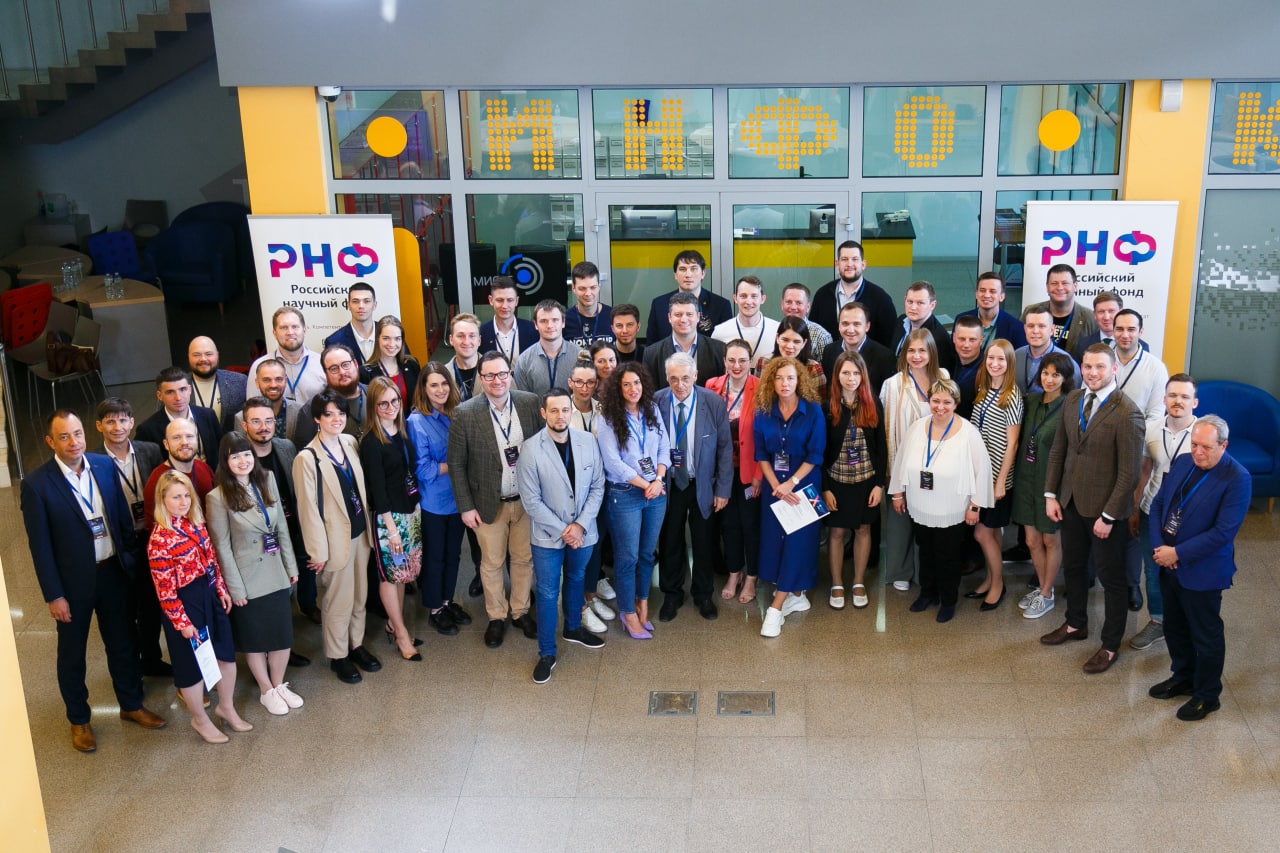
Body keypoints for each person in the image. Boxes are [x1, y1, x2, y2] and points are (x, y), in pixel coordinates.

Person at [21, 410, 167, 753]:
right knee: (72, 654)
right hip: (72, 584)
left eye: (77, 433)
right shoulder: (37, 485)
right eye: (64, 437)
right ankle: (79, 719)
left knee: (123, 643)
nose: (74, 442)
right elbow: (40, 548)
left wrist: (129, 563)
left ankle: (131, 704)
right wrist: (54, 595)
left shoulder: (103, 466)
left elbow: (119, 518)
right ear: (50, 442)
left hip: (113, 571)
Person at [1040, 344, 1145, 674]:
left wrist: (1109, 516)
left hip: (1105, 513)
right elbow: (1059, 450)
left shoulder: (1127, 412)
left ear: (1113, 369)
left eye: (1100, 366)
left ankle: (1110, 645)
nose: (1092, 372)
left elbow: (1129, 474)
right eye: (1087, 366)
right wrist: (1051, 494)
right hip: (1071, 502)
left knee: (1111, 580)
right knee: (1073, 568)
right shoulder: (1073, 399)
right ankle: (1075, 624)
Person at [1147, 416, 1251, 721]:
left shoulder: (1237, 478)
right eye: (1194, 444)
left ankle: (1207, 695)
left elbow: (1222, 533)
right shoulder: (1183, 462)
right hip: (1167, 563)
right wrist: (1160, 549)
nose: (1198, 452)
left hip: (1202, 571)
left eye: (1206, 447)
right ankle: (1183, 677)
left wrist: (1177, 553)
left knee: (1205, 635)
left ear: (1224, 445)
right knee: (1174, 627)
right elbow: (1158, 504)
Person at [447, 351, 544, 648]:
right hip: (488, 503)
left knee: (524, 559)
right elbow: (456, 465)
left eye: (502, 374)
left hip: (526, 501)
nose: (497, 380)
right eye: (489, 375)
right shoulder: (465, 413)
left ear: (510, 374)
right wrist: (466, 507)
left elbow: (544, 450)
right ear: (480, 378)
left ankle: (520, 611)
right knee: (491, 563)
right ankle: (497, 616)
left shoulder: (530, 403)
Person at [148, 469, 250, 743]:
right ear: (162, 500)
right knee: (191, 666)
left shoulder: (194, 522)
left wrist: (220, 589)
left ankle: (226, 707)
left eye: (187, 496)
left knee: (225, 654)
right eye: (176, 497)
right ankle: (200, 720)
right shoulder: (159, 540)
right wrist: (182, 623)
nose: (184, 502)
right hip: (185, 603)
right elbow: (165, 590)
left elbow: (210, 559)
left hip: (208, 593)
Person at [205, 433, 303, 716]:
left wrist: (291, 567)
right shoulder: (217, 497)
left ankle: (278, 684)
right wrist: (235, 589)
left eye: (246, 454)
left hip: (275, 570)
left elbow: (281, 527)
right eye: (235, 456)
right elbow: (222, 547)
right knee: (256, 639)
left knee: (282, 634)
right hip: (247, 579)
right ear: (225, 461)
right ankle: (265, 689)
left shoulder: (267, 479)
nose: (243, 461)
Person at [516, 387, 607, 683]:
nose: (560, 416)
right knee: (546, 592)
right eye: (554, 410)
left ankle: (572, 628)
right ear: (544, 413)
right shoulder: (531, 449)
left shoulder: (587, 441)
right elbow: (531, 501)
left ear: (571, 411)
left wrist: (580, 525)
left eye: (565, 410)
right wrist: (565, 531)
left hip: (583, 532)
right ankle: (546, 652)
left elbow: (598, 486)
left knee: (576, 578)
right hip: (548, 536)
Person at [293, 390, 381, 683]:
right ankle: (338, 656)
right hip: (333, 543)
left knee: (359, 597)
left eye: (341, 414)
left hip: (360, 534)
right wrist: (317, 552)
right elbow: (307, 510)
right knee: (337, 603)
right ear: (317, 418)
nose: (336, 419)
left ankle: (356, 645)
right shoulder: (307, 458)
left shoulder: (349, 442)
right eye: (329, 414)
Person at [888, 379, 993, 623]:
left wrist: (975, 506)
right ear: (929, 401)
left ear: (956, 404)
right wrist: (898, 493)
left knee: (948, 556)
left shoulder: (968, 433)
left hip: (952, 507)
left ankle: (948, 601)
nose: (940, 407)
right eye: (935, 401)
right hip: (920, 504)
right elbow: (901, 459)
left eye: (947, 402)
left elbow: (982, 471)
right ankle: (928, 593)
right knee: (925, 551)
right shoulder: (917, 427)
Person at [92, 397, 168, 677]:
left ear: (132, 422)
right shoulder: (93, 461)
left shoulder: (150, 451)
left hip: (150, 536)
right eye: (110, 421)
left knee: (151, 604)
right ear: (99, 426)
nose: (117, 427)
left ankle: (152, 659)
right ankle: (131, 664)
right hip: (119, 542)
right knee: (125, 607)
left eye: (123, 420)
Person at [655, 352, 733, 622]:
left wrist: (722, 489)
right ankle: (672, 594)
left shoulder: (712, 402)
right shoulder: (657, 401)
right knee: (670, 541)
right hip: (670, 485)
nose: (680, 385)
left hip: (703, 484)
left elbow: (725, 448)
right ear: (667, 378)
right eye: (674, 379)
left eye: (685, 378)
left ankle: (703, 595)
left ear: (696, 376)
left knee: (703, 542)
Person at [239, 396, 316, 660]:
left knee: (303, 572)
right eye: (256, 421)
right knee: (277, 594)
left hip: (293, 526)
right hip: (263, 540)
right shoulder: (240, 458)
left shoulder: (286, 447)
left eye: (268, 421)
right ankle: (281, 647)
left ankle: (308, 607)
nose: (264, 427)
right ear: (244, 425)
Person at [754, 357, 826, 637]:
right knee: (775, 543)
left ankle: (775, 608)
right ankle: (796, 595)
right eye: (779, 378)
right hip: (774, 489)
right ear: (771, 381)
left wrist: (791, 483)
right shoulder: (763, 411)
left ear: (799, 381)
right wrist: (776, 485)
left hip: (804, 487)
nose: (785, 383)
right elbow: (761, 454)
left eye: (790, 378)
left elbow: (816, 455)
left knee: (798, 544)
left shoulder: (813, 411)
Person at [597, 362, 669, 639]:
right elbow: (613, 462)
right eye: (626, 384)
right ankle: (627, 612)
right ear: (618, 388)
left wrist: (658, 479)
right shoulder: (608, 418)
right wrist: (646, 484)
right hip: (625, 494)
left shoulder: (651, 409)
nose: (632, 389)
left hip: (656, 493)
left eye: (636, 383)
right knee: (627, 558)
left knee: (647, 554)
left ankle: (643, 602)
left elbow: (664, 447)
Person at [1129, 373, 1199, 650]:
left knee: (1185, 568)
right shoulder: (1152, 428)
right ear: (1164, 399)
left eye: (1184, 396)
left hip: (1189, 517)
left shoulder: (1203, 433)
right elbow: (1144, 470)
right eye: (1173, 395)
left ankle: (1186, 620)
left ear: (1194, 402)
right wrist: (1135, 507)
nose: (1178, 401)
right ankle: (1158, 621)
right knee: (1153, 569)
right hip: (1152, 511)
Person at [405, 363, 474, 636]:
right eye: (433, 385)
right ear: (423, 388)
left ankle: (447, 601)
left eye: (444, 383)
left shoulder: (457, 412)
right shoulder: (416, 422)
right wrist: (456, 463)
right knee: (435, 557)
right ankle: (435, 609)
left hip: (458, 498)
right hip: (433, 502)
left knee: (453, 554)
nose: (440, 389)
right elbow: (423, 469)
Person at [360, 377, 425, 662]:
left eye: (394, 401)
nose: (390, 407)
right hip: (390, 520)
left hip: (410, 511)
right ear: (373, 406)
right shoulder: (371, 442)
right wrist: (391, 529)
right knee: (390, 575)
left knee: (402, 575)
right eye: (383, 403)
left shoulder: (402, 430)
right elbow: (377, 489)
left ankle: (393, 623)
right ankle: (400, 633)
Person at [879, 329, 948, 593]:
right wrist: (890, 470)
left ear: (932, 352)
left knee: (929, 519)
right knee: (901, 519)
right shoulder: (893, 384)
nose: (916, 356)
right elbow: (886, 428)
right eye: (911, 351)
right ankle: (901, 570)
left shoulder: (943, 378)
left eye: (922, 350)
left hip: (937, 465)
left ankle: (924, 571)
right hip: (903, 463)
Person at [1010, 352, 1075, 620]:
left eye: (1056, 375)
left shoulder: (1070, 406)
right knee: (1031, 540)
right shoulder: (1031, 401)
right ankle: (1042, 588)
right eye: (1045, 373)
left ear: (1066, 378)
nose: (1049, 379)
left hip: (1050, 485)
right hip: (1025, 479)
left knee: (1050, 539)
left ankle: (1047, 594)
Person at [822, 351, 886, 611]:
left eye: (856, 373)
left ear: (863, 376)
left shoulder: (872, 404)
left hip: (866, 480)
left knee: (863, 529)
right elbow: (820, 452)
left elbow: (881, 447)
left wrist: (879, 484)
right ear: (837, 375)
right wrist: (825, 488)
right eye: (846, 373)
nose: (851, 378)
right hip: (836, 481)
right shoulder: (827, 408)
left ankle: (858, 581)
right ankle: (837, 583)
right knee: (837, 532)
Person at [963, 339, 1023, 610]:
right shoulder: (984, 390)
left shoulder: (1011, 396)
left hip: (997, 478)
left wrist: (1000, 482)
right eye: (991, 358)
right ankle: (990, 578)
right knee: (993, 534)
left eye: (1001, 359)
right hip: (980, 474)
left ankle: (998, 584)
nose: (995, 364)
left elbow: (1013, 444)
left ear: (1009, 363)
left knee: (982, 534)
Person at [705, 340, 762, 604]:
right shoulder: (712, 386)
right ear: (724, 361)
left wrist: (759, 474)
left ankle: (751, 576)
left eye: (742, 360)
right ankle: (734, 572)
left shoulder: (761, 388)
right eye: (731, 360)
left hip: (751, 470)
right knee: (728, 524)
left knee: (750, 524)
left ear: (751, 361)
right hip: (723, 471)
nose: (736, 366)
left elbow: (765, 436)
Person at [811, 240, 897, 350]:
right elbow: (813, 332)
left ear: (863, 264)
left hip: (867, 360)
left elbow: (889, 341)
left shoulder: (881, 299)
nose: (849, 264)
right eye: (844, 259)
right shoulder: (822, 295)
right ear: (837, 264)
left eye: (855, 259)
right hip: (831, 358)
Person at [135, 366, 223, 467]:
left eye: (182, 389)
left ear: (190, 390)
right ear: (159, 396)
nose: (178, 397)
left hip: (209, 475)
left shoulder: (208, 415)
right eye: (170, 392)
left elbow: (221, 449)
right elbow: (144, 465)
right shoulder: (147, 429)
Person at [643, 290, 727, 391]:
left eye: (689, 314)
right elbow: (650, 394)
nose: (683, 320)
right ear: (669, 317)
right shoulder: (651, 354)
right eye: (678, 314)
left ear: (698, 317)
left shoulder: (719, 350)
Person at [249, 307, 327, 410]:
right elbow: (252, 409)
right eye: (283, 327)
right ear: (274, 333)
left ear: (304, 330)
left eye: (295, 327)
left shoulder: (323, 363)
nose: (290, 332)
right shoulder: (259, 366)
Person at [646, 249, 732, 342]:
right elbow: (652, 345)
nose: (688, 275)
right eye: (682, 269)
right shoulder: (659, 305)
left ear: (703, 273)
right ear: (675, 275)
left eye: (693, 269)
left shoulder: (721, 305)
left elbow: (726, 345)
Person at [142, 418, 216, 524]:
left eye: (189, 436)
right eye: (176, 437)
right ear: (166, 444)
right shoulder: (157, 480)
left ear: (196, 440)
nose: (184, 442)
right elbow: (152, 525)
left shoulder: (204, 468)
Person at [292, 344, 368, 447]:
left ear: (355, 364)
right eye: (334, 368)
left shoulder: (377, 395)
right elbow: (304, 451)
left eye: (346, 364)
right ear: (325, 373)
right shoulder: (312, 409)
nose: (342, 372)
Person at [820, 300, 896, 398]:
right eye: (845, 324)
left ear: (867, 326)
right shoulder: (829, 351)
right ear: (839, 326)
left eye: (856, 324)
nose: (850, 330)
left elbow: (887, 397)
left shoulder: (885, 357)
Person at [1025, 263, 1097, 356]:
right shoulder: (1030, 312)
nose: (1059, 287)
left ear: (1075, 286)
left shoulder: (1089, 317)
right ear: (1047, 287)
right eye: (1054, 283)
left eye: (1065, 283)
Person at [513, 299, 582, 394]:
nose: (549, 325)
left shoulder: (580, 357)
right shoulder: (523, 362)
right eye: (543, 321)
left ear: (563, 322)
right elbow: (524, 400)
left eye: (555, 320)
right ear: (535, 324)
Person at [1112, 308, 1168, 425]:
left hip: (1138, 432)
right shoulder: (1099, 362)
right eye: (1119, 329)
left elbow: (1156, 416)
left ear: (1140, 332)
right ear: (1113, 331)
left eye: (1131, 329)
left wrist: (1136, 434)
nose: (1125, 335)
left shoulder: (1156, 368)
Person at [712, 275, 779, 371]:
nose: (748, 301)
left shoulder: (777, 330)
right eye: (743, 296)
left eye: (754, 296)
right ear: (735, 298)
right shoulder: (720, 332)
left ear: (762, 299)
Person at [890, 281, 958, 372]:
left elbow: (939, 374)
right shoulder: (901, 321)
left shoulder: (938, 337)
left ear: (932, 305)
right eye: (910, 302)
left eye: (920, 303)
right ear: (904, 299)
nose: (913, 307)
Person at [188, 335, 249, 434]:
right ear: (188, 357)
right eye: (196, 355)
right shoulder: (177, 386)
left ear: (217, 355)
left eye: (208, 354)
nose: (203, 359)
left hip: (232, 442)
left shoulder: (239, 381)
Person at [1014, 306, 1082, 394]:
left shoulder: (1068, 362)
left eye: (1041, 326)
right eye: (1030, 326)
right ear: (1025, 329)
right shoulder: (1015, 356)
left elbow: (1075, 396)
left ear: (1052, 330)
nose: (1035, 331)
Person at [954, 272, 1027, 352]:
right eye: (982, 290)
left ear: (1002, 296)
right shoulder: (961, 319)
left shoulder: (1016, 327)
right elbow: (953, 353)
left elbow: (1019, 357)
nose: (986, 295)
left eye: (992, 291)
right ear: (976, 294)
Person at [360, 314, 421, 401]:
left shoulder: (412, 364)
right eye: (386, 338)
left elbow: (421, 399)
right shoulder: (365, 373)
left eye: (397, 339)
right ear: (377, 339)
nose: (392, 344)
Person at [1071, 291, 1148, 360]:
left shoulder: (1141, 346)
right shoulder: (1082, 345)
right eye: (1101, 312)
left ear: (1120, 312)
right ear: (1094, 315)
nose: (1106, 317)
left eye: (1111, 311)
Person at [478, 276, 537, 362]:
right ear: (490, 300)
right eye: (500, 300)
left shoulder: (533, 330)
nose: (505, 306)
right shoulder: (481, 333)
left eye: (510, 300)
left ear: (516, 301)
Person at [563, 260, 615, 348]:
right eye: (582, 288)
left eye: (593, 287)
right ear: (573, 288)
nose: (588, 293)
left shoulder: (613, 316)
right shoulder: (564, 320)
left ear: (599, 287)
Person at [324, 281, 378, 362]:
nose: (361, 306)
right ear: (348, 305)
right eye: (355, 301)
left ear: (375, 305)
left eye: (367, 301)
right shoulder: (334, 341)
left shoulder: (389, 333)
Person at [252, 357, 302, 444]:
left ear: (286, 381)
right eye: (266, 380)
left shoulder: (300, 412)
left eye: (278, 379)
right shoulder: (242, 417)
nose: (273, 385)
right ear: (257, 382)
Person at [779, 282, 833, 361]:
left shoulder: (821, 336)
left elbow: (826, 368)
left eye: (799, 303)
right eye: (789, 302)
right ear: (782, 304)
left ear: (808, 307)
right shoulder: (773, 329)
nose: (793, 307)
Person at [773, 315, 825, 396]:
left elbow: (819, 400)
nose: (789, 346)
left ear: (804, 343)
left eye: (796, 342)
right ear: (777, 338)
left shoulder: (813, 368)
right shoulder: (764, 362)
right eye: (785, 340)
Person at [949, 314, 986, 418]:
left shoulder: (987, 372)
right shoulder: (948, 363)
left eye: (972, 340)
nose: (966, 345)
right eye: (962, 339)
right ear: (954, 338)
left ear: (981, 341)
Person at [445, 312, 482, 403]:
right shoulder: (442, 374)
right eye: (460, 336)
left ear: (479, 340)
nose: (466, 342)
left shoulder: (497, 371)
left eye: (472, 336)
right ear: (451, 340)